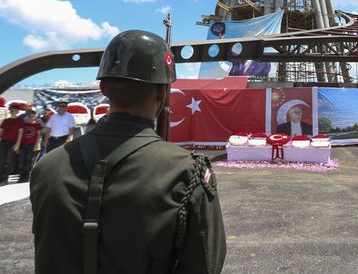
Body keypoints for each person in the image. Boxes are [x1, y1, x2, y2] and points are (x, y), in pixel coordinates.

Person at [30, 29, 227, 273]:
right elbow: (204, 266)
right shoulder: (186, 171)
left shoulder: (47, 167)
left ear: (102, 87)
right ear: (162, 92)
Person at [0, 104, 24, 184]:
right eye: (12, 110)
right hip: (3, 142)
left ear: (17, 111)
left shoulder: (19, 121)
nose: (13, 111)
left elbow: (20, 133)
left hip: (12, 143)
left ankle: (5, 179)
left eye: (15, 110)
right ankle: (0, 178)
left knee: (8, 161)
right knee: (1, 160)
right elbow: (1, 131)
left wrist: (17, 144)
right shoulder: (6, 120)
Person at [17, 109, 41, 182]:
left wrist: (36, 145)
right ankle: (21, 176)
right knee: (21, 161)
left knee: (29, 160)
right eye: (30, 116)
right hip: (23, 144)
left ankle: (26, 176)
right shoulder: (24, 124)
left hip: (32, 144)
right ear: (27, 116)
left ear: (35, 116)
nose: (31, 117)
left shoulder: (37, 124)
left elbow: (38, 135)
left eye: (33, 116)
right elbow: (20, 134)